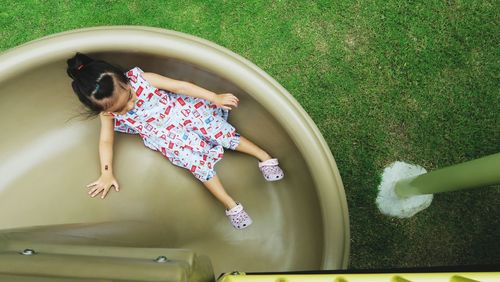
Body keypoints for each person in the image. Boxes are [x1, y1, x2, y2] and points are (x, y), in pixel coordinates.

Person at [66, 52, 284, 229]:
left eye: (130, 98)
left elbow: (180, 86)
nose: (130, 107)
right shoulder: (108, 114)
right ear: (102, 109)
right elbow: (105, 140)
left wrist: (214, 98)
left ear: (125, 80)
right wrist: (106, 171)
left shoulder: (142, 79)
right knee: (196, 166)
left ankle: (263, 157)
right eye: (120, 109)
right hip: (167, 138)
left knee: (221, 132)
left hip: (183, 113)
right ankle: (230, 204)